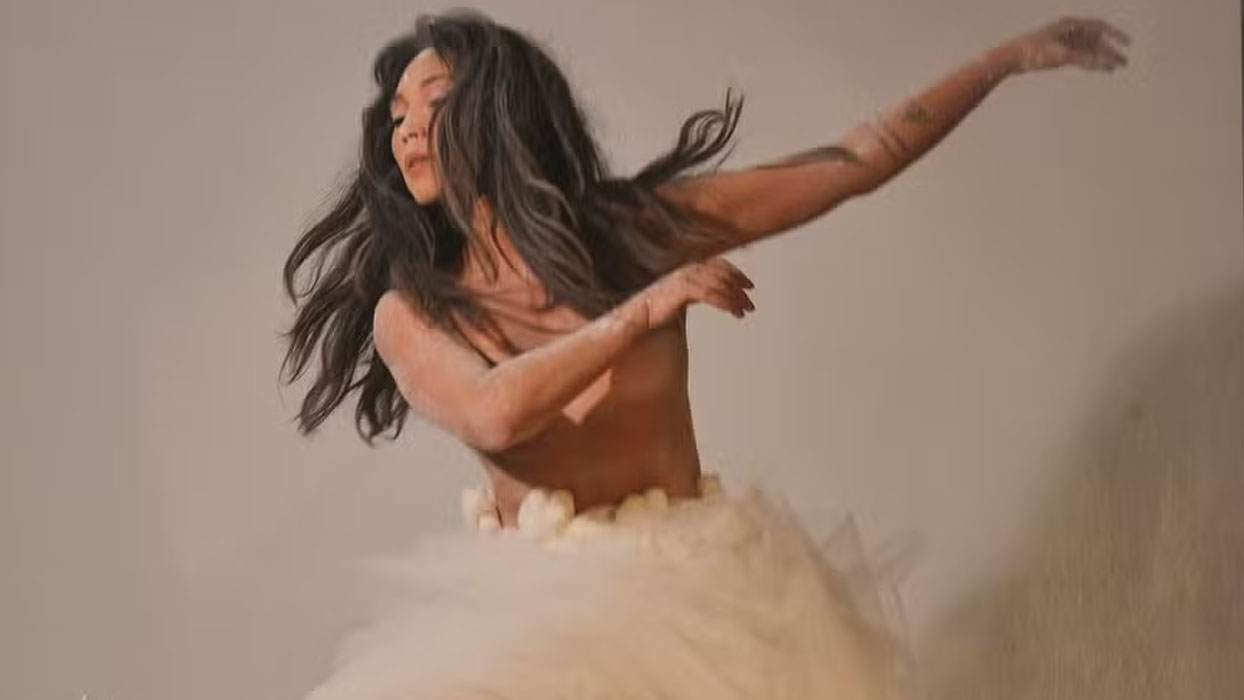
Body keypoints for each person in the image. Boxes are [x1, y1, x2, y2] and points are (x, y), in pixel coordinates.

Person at [281, 9, 1130, 699]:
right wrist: (642, 311)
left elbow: (857, 160)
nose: (406, 131)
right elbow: (495, 411)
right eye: (396, 116)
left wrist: (1004, 60)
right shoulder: (413, 311)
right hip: (536, 625)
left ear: (495, 109)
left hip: (703, 591)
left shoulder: (635, 232)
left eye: (430, 102)